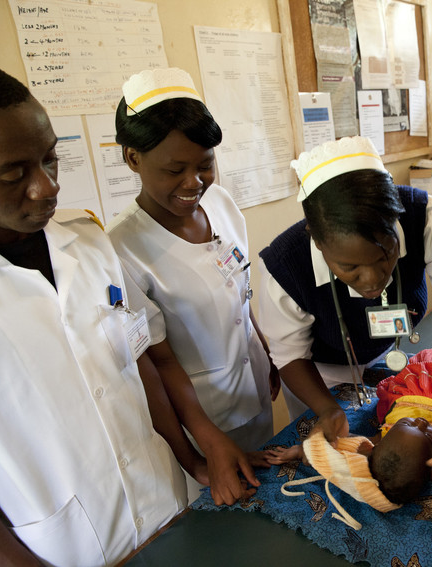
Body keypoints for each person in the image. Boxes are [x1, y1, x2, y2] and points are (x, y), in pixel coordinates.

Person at [0, 56, 185, 565]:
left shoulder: (86, 243)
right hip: (67, 545)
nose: (47, 186)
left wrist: (190, 455)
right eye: (13, 173)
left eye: (50, 159)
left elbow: (134, 359)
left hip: (165, 502)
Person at [259, 135, 432, 512]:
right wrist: (326, 408)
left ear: (396, 223)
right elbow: (289, 354)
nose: (373, 280)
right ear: (317, 240)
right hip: (319, 374)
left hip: (391, 360)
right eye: (350, 268)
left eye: (385, 255)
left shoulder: (424, 217)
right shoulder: (284, 267)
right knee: (336, 443)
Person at [107, 68, 280, 506]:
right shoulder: (123, 249)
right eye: (175, 169)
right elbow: (159, 362)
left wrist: (264, 350)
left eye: (205, 165)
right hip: (201, 423)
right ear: (132, 159)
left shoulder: (219, 204)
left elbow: (239, 290)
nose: (194, 183)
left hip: (254, 390)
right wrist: (204, 441)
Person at [271, 342, 432, 514]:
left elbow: (342, 454)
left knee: (430, 359)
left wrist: (306, 451)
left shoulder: (381, 441)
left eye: (408, 424)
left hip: (418, 381)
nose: (421, 423)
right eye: (428, 435)